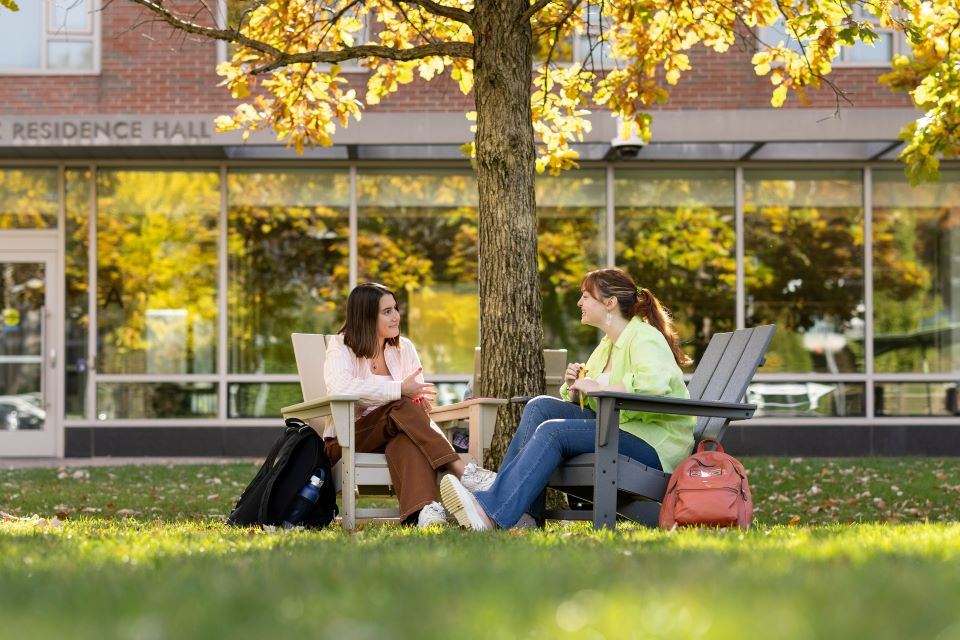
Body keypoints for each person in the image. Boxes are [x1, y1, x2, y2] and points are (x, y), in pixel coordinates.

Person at [440, 268, 695, 530]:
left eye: (586, 296)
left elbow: (653, 388)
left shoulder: (645, 338)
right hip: (619, 427)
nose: (579, 303)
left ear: (610, 302)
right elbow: (595, 394)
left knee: (554, 432)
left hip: (653, 442)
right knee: (539, 406)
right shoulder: (607, 345)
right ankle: (524, 516)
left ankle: (491, 512)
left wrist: (596, 386)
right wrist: (574, 388)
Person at [323, 282, 495, 528]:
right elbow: (341, 389)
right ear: (366, 316)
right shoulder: (341, 346)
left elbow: (414, 397)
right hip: (348, 438)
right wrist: (400, 390)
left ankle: (425, 513)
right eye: (387, 311)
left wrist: (419, 404)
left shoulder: (404, 349)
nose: (396, 316)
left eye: (395, 308)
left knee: (406, 436)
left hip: (395, 435)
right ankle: (462, 469)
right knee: (400, 403)